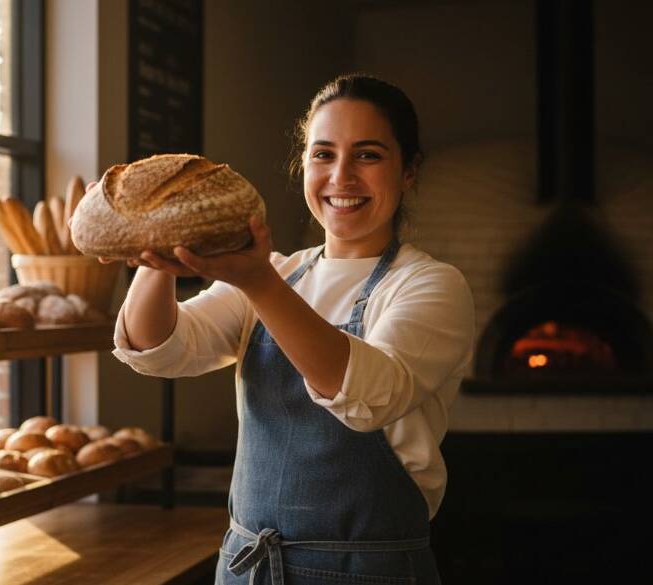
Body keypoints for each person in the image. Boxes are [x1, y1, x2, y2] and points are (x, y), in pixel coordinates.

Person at [104, 74, 475, 585]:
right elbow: (160, 349)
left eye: (367, 155)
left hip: (368, 571)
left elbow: (371, 397)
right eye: (323, 155)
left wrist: (259, 284)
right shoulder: (277, 272)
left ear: (408, 170)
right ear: (304, 164)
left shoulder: (429, 285)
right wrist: (159, 248)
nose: (341, 176)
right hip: (249, 566)